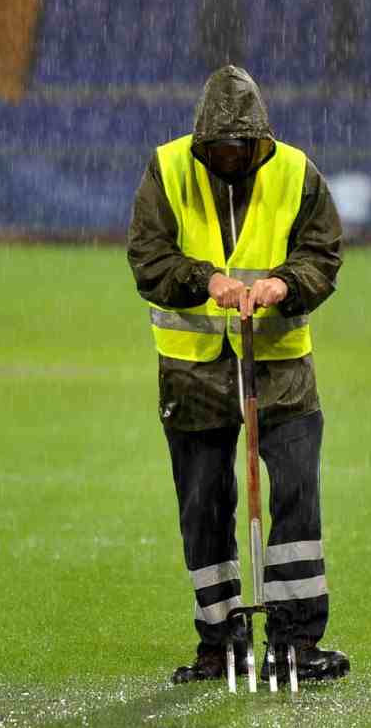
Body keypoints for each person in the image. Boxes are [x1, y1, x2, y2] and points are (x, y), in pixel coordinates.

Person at [127, 65, 349, 686]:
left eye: (237, 146)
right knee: (203, 506)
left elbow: (322, 253)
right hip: (192, 375)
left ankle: (295, 644)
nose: (227, 156)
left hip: (281, 368)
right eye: (216, 147)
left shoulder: (297, 173)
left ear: (259, 140)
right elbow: (149, 260)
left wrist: (284, 284)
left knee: (298, 495)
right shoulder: (167, 170)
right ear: (201, 142)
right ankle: (221, 642)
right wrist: (208, 281)